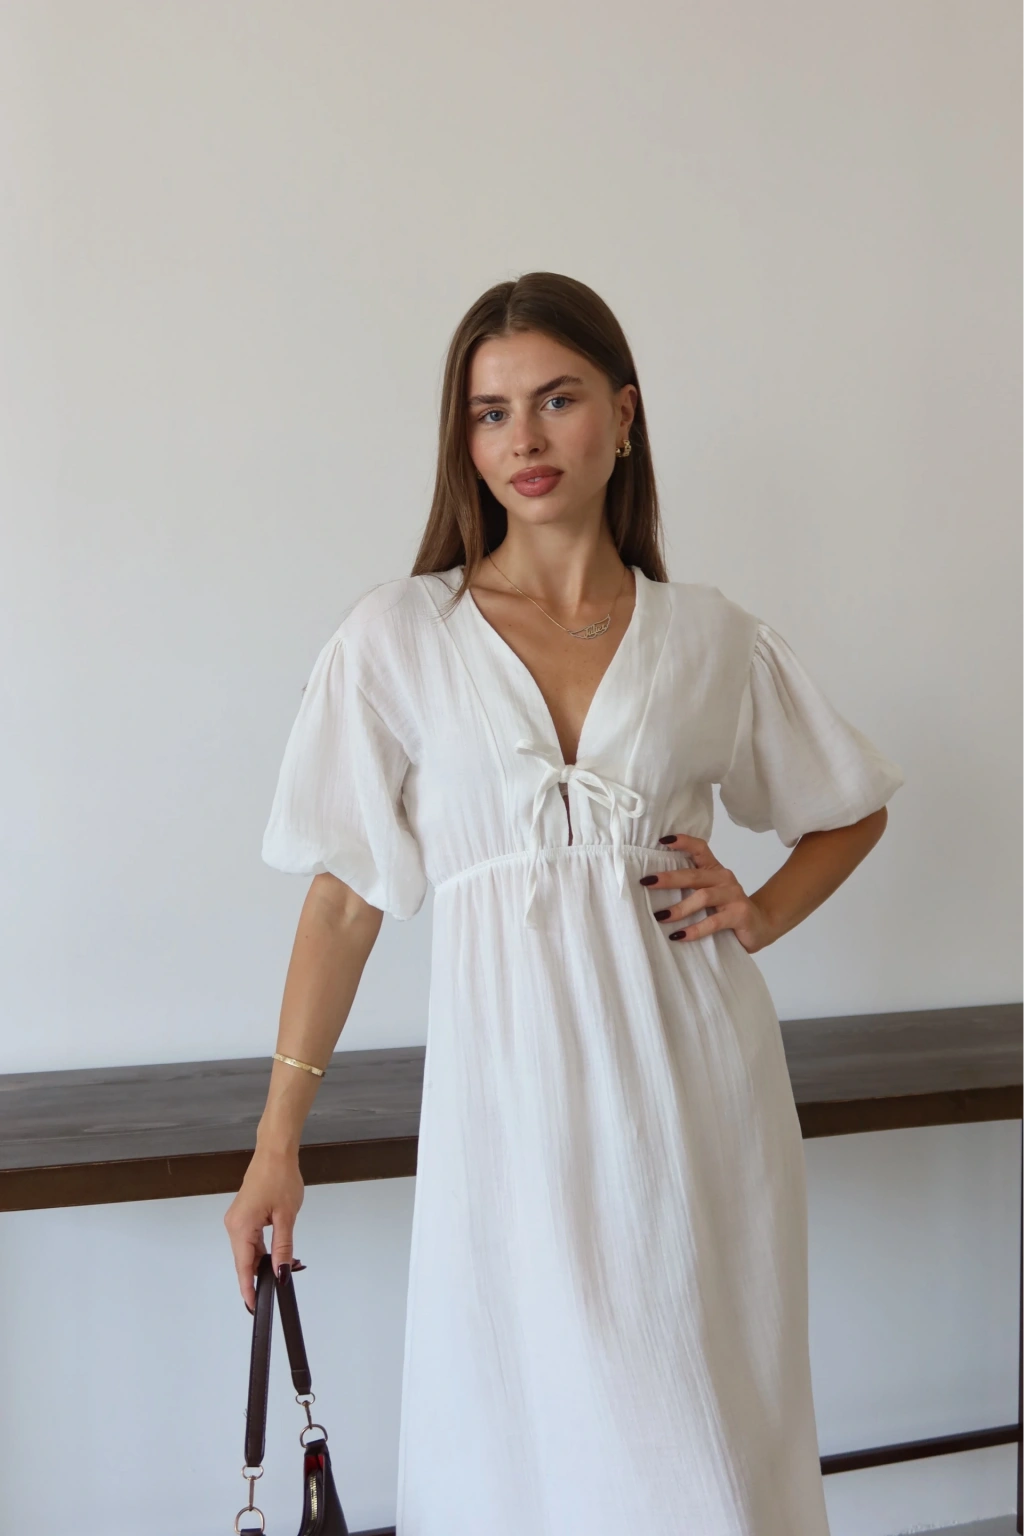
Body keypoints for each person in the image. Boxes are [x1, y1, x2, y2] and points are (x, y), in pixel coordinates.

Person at [224, 271, 904, 1535]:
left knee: (703, 1446)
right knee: (533, 1443)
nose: (523, 439)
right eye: (489, 413)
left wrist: (759, 911)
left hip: (698, 1098)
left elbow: (849, 806)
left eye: (556, 399)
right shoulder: (399, 638)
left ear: (624, 415)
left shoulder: (710, 637)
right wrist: (276, 1146)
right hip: (511, 1114)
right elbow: (345, 902)